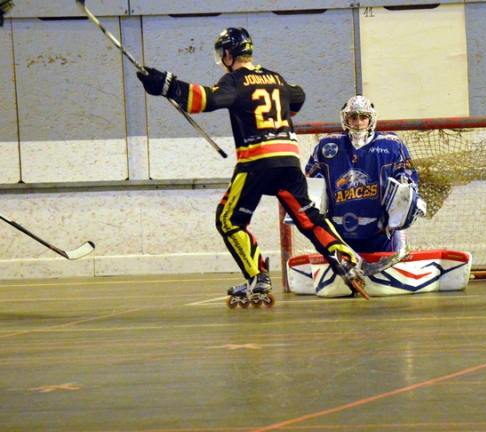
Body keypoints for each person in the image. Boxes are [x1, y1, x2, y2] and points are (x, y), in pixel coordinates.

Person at [135, 27, 367, 305]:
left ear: (228, 54)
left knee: (229, 220)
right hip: (289, 161)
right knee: (308, 217)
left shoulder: (235, 80)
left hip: (257, 161)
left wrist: (166, 85)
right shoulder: (276, 78)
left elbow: (208, 99)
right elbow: (298, 96)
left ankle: (257, 277)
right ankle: (346, 260)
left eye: (222, 54)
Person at [304, 95, 425, 262]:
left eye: (363, 117)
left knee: (391, 265)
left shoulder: (391, 144)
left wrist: (409, 202)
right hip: (338, 231)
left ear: (371, 119)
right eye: (353, 117)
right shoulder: (327, 145)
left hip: (382, 232)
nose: (358, 122)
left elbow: (407, 178)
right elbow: (312, 182)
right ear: (345, 119)